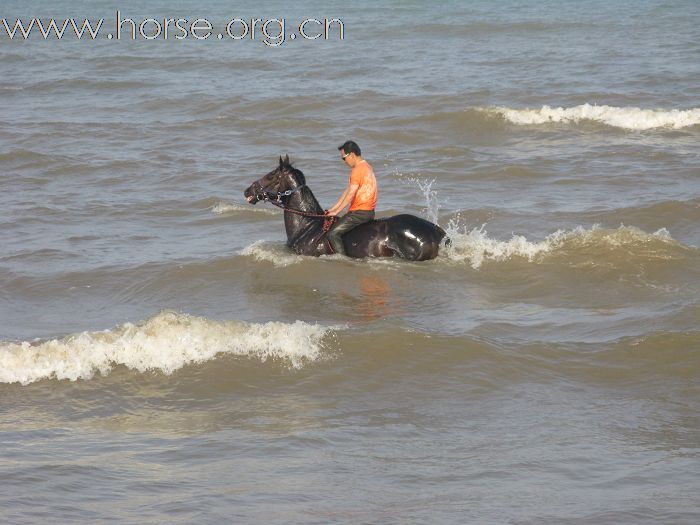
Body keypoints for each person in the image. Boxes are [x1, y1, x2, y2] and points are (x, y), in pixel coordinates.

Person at [326, 140, 377, 255]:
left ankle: (343, 260)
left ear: (352, 155)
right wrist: (333, 209)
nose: (344, 161)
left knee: (332, 234)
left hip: (360, 212)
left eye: (344, 158)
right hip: (368, 212)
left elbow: (350, 195)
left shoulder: (357, 170)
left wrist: (337, 212)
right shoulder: (366, 166)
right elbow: (348, 190)